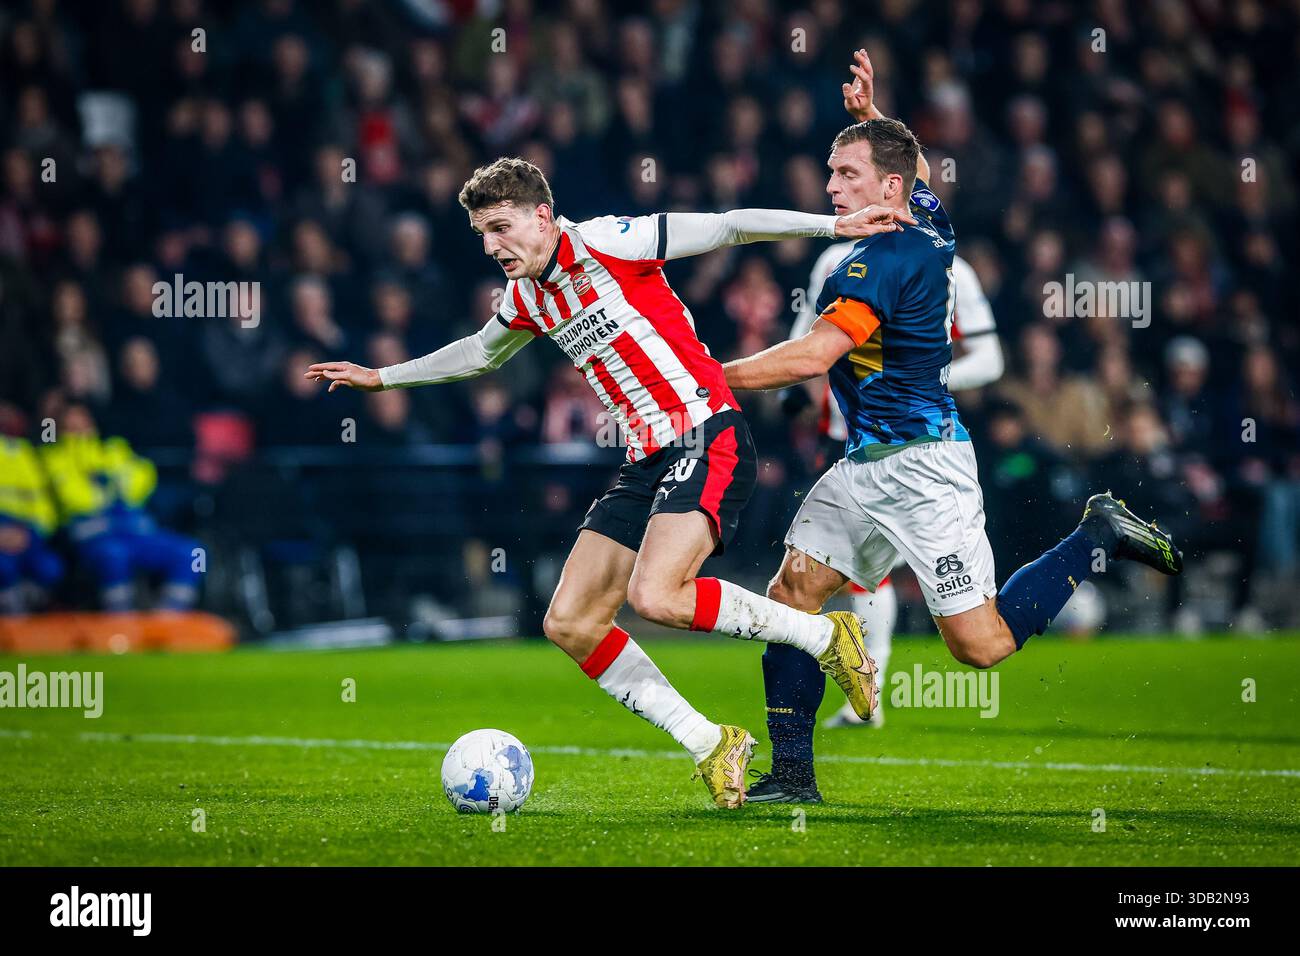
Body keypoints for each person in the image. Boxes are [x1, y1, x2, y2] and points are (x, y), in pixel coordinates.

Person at [306, 157, 914, 808]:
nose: (491, 246)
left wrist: (836, 225)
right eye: (482, 234)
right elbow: (480, 352)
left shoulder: (607, 241)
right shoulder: (526, 298)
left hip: (706, 430)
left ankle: (828, 637)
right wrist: (383, 376)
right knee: (569, 621)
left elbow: (729, 226)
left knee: (656, 595)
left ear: (543, 217)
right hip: (646, 456)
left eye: (502, 227)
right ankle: (711, 741)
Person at [725, 50, 1183, 803]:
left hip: (924, 470)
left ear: (887, 188)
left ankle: (1097, 532)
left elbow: (813, 355)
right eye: (832, 172)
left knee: (981, 646)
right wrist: (874, 120)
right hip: (864, 463)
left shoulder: (878, 262)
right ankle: (796, 778)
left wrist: (708, 374)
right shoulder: (926, 223)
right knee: (793, 592)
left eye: (846, 174)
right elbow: (920, 179)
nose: (830, 186)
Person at [39, 404, 202, 612]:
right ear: (60, 429)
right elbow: (74, 498)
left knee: (193, 552)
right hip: (95, 538)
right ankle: (120, 620)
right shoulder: (54, 457)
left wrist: (105, 488)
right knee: (114, 555)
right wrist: (114, 489)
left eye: (83, 423)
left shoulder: (114, 449)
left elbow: (145, 476)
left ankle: (169, 617)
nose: (80, 430)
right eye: (71, 426)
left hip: (137, 533)